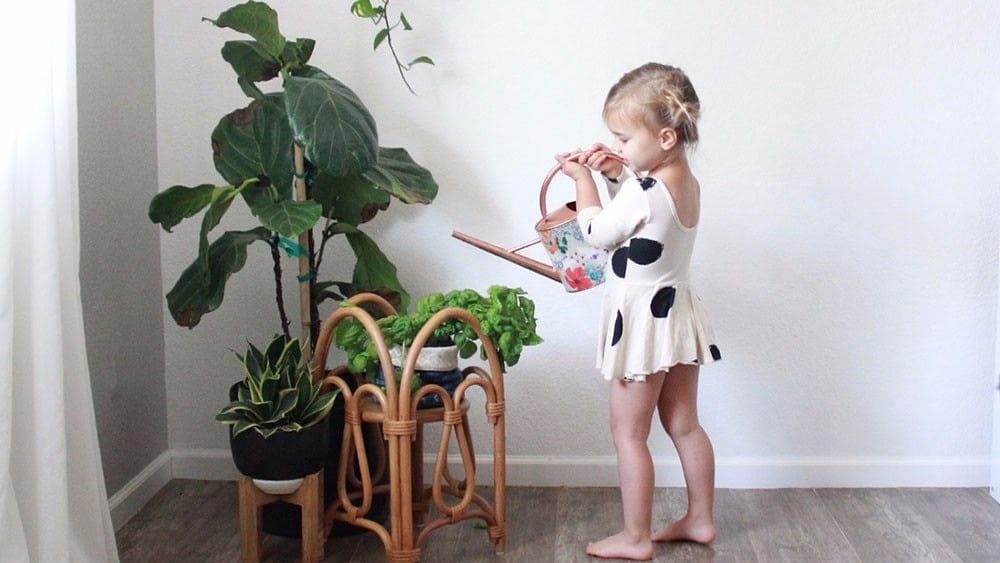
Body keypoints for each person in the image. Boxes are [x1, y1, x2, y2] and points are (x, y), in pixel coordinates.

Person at [555, 62, 722, 561]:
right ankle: (700, 518)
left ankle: (635, 537)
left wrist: (583, 178)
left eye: (624, 140)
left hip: (643, 325)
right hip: (677, 316)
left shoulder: (644, 189)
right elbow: (640, 222)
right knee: (684, 424)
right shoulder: (680, 182)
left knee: (627, 433)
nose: (619, 149)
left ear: (666, 136)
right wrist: (614, 174)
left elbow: (598, 232)